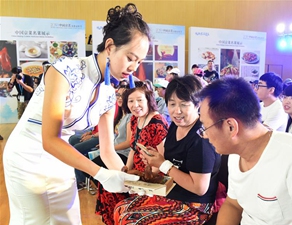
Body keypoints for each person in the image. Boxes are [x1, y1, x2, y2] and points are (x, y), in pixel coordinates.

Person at [3, 3, 149, 224]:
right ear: (110, 46)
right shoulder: (65, 71)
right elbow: (49, 139)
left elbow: (108, 151)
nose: (134, 67)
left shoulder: (109, 94)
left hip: (61, 157)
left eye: (139, 61)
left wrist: (130, 180)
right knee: (34, 220)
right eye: (130, 57)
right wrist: (100, 174)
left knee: (67, 220)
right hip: (27, 156)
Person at [197, 77, 292, 225]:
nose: (204, 135)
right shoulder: (236, 154)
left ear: (231, 127)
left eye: (205, 127)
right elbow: (233, 204)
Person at [114, 75, 221, 224]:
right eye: (172, 104)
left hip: (194, 205)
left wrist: (163, 164)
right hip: (171, 191)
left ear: (198, 105)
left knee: (132, 220)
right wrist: (153, 159)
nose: (177, 111)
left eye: (184, 104)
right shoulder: (175, 126)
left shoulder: (201, 138)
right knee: (121, 208)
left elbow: (199, 188)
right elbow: (169, 161)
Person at [97, 80, 168, 225]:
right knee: (106, 185)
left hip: (151, 176)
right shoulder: (136, 120)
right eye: (131, 101)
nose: (135, 105)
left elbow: (162, 158)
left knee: (112, 191)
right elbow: (133, 150)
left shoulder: (157, 122)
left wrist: (146, 178)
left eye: (139, 100)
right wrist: (126, 170)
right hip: (136, 173)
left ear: (148, 100)